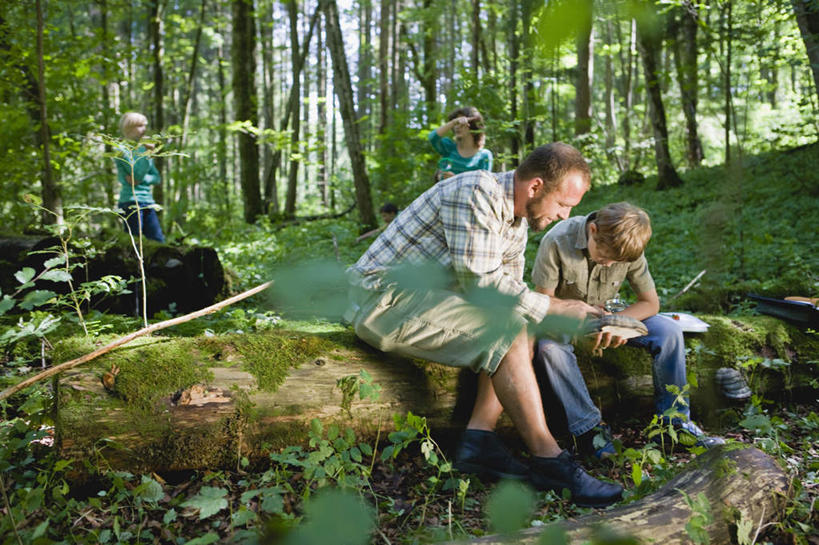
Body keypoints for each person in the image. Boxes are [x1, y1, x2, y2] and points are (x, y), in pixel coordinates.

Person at [345, 143, 623, 507]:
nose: (565, 215)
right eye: (563, 204)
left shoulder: (516, 224)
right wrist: (553, 305)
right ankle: (549, 458)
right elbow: (480, 282)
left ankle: (479, 441)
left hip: (421, 302)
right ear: (535, 187)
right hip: (382, 300)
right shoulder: (475, 190)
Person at [530, 202, 725, 460]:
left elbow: (650, 303)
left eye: (617, 262)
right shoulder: (557, 240)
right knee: (548, 347)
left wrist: (620, 323)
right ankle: (590, 431)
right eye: (604, 256)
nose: (609, 264)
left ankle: (673, 424)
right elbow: (543, 303)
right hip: (565, 320)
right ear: (592, 230)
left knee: (668, 331)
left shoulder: (628, 246)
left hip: (609, 317)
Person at [115, 112, 165, 243]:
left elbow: (156, 178)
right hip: (131, 202)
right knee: (134, 242)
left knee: (158, 240)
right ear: (129, 128)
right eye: (140, 126)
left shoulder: (144, 150)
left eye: (145, 126)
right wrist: (148, 154)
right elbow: (137, 173)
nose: (144, 129)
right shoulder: (122, 151)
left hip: (148, 201)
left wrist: (141, 180)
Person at [428, 107, 493, 182]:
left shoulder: (484, 155)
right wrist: (453, 122)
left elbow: (484, 184)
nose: (457, 127)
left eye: (461, 123)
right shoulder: (449, 147)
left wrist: (457, 180)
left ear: (473, 126)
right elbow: (432, 137)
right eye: (456, 124)